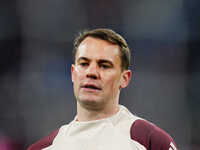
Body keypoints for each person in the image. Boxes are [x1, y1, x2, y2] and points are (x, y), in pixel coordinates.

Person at [27, 28, 178, 150]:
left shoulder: (151, 141)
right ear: (73, 73)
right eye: (84, 64)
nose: (91, 73)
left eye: (104, 65)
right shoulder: (43, 147)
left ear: (124, 78)